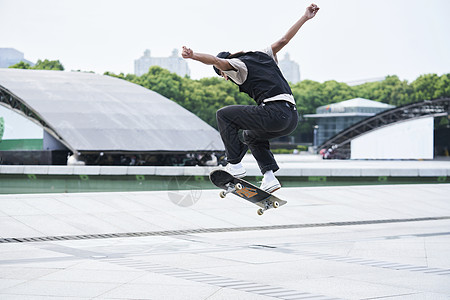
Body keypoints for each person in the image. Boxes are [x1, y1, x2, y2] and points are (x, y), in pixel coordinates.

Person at [182, 4, 319, 193]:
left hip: (274, 112)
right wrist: (305, 17)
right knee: (251, 135)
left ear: (224, 71)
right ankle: (269, 177)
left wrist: (193, 56)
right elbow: (284, 40)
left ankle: (235, 164)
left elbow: (215, 61)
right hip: (291, 117)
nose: (227, 79)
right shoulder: (262, 54)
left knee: (224, 115)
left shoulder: (235, 65)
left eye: (224, 76)